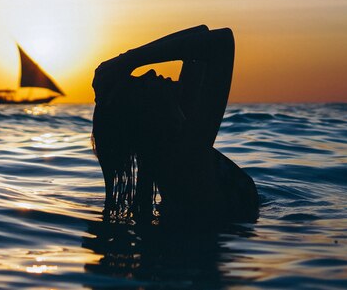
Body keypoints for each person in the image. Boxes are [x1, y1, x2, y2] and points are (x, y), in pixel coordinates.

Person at [91, 25, 259, 225]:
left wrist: (125, 61)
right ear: (145, 115)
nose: (151, 72)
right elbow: (221, 42)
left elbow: (202, 34)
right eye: (142, 83)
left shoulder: (173, 145)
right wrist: (127, 61)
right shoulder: (184, 157)